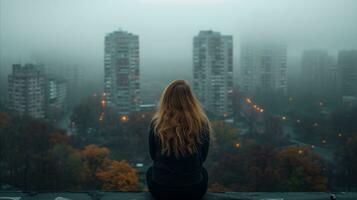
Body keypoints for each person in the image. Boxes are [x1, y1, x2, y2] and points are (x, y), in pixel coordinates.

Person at [146, 80, 212, 200]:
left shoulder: (157, 123)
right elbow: (203, 157)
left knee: (150, 171)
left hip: (161, 190)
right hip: (193, 190)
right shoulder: (201, 123)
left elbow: (153, 155)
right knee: (203, 172)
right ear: (190, 99)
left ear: (166, 99)